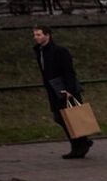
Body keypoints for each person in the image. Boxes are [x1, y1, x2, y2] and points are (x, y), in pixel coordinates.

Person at [33, 26, 90, 159]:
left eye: (39, 34)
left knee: (71, 117)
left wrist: (69, 89)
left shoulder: (59, 51)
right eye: (35, 35)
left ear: (48, 35)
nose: (36, 37)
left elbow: (69, 71)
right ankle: (82, 142)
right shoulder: (40, 51)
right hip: (53, 88)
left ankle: (79, 146)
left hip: (64, 88)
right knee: (61, 117)